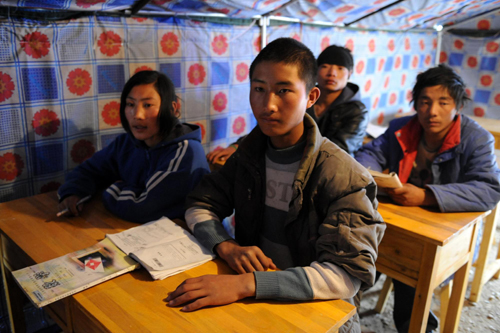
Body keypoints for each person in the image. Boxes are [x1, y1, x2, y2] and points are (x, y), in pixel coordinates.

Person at [166, 38, 386, 333]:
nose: (268, 105)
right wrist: (227, 247)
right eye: (259, 89)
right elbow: (200, 204)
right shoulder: (248, 154)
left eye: (284, 91)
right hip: (252, 299)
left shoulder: (344, 175)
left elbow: (344, 276)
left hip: (317, 311)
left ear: (311, 97)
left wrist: (248, 283)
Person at [355, 64, 500, 332]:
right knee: (356, 256)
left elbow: (490, 189)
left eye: (443, 102)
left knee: (410, 272)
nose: (432, 111)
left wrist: (426, 195)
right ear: (415, 103)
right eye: (425, 102)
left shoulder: (477, 139)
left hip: (448, 237)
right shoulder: (402, 128)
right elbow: (369, 154)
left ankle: (420, 326)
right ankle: (342, 312)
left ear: (457, 104)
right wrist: (370, 171)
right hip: (398, 223)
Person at [57, 70, 210, 223]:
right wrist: (73, 192)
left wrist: (110, 188)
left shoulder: (186, 152)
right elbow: (89, 170)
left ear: (172, 109)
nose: (137, 115)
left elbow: (142, 208)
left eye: (148, 105)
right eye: (130, 104)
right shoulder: (126, 143)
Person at [205, 44, 368, 163]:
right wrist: (238, 146)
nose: (332, 73)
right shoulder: (298, 98)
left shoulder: (356, 110)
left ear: (350, 74)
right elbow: (269, 131)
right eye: (325, 66)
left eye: (340, 68)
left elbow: (341, 152)